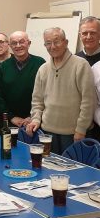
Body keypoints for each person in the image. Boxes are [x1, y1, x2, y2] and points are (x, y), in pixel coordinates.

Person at [27, 27, 95, 155]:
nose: (52, 46)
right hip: (47, 133)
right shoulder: (43, 69)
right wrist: (36, 119)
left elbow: (88, 101)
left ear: (66, 42)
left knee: (72, 172)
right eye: (48, 43)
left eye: (57, 41)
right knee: (48, 170)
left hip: (73, 134)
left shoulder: (81, 65)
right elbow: (37, 101)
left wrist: (81, 129)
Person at [0, 31, 45, 127]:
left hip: (35, 121)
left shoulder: (40, 63)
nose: (18, 46)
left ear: (29, 43)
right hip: (11, 122)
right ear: (10, 45)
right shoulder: (4, 66)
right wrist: (11, 117)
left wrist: (33, 117)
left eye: (21, 42)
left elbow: (46, 93)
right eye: (14, 43)